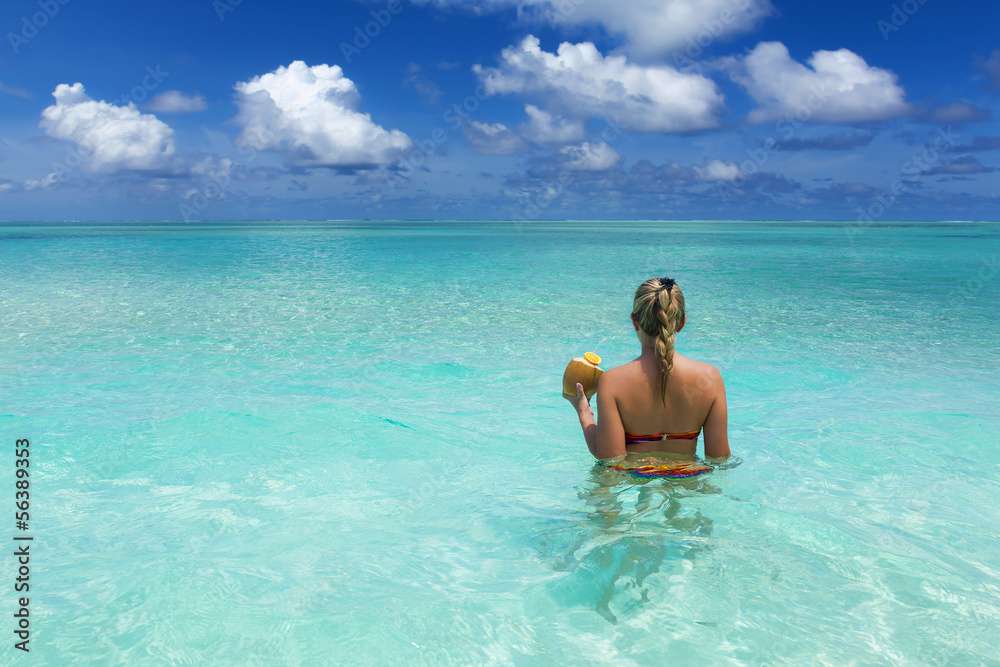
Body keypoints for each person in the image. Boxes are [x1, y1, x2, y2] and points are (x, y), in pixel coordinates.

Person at [563, 277, 730, 462]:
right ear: (681, 323)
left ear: (634, 322)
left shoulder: (612, 381)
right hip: (687, 478)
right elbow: (719, 459)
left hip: (635, 475)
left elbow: (610, 459)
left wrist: (583, 410)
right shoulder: (711, 377)